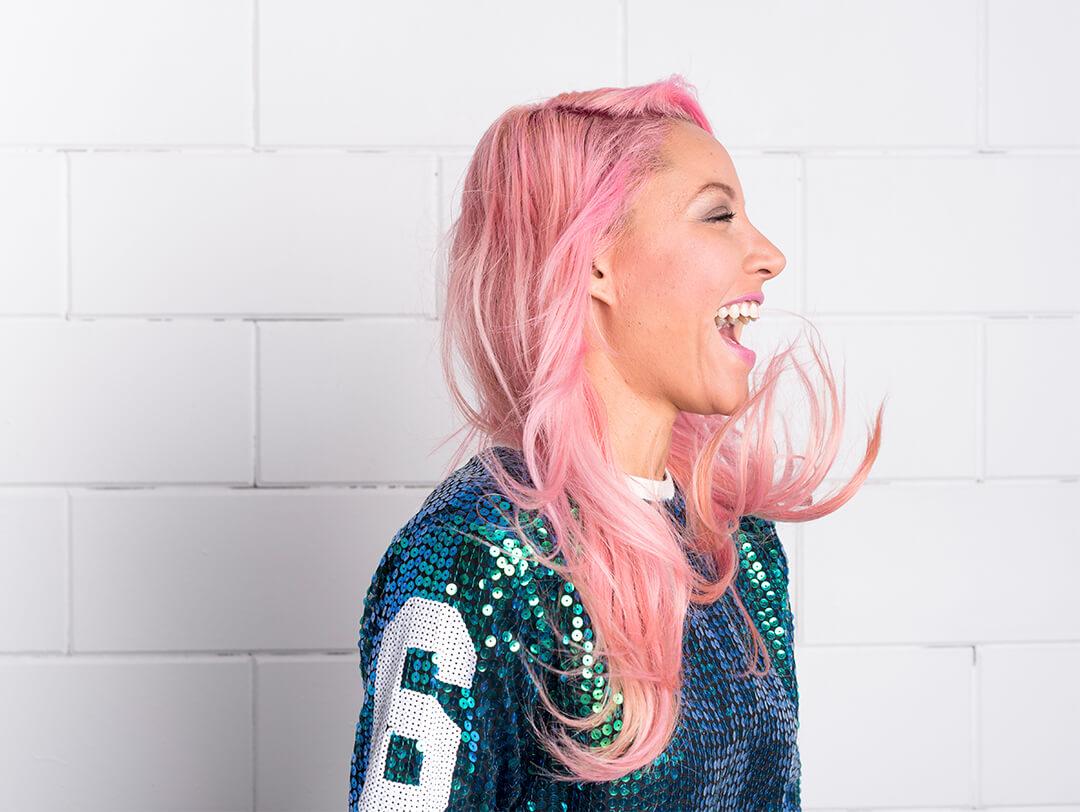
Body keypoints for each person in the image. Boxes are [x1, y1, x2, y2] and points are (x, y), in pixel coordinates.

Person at [348, 74, 884, 811]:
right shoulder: (474, 557)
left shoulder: (739, 552)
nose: (767, 256)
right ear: (596, 257)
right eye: (718, 216)